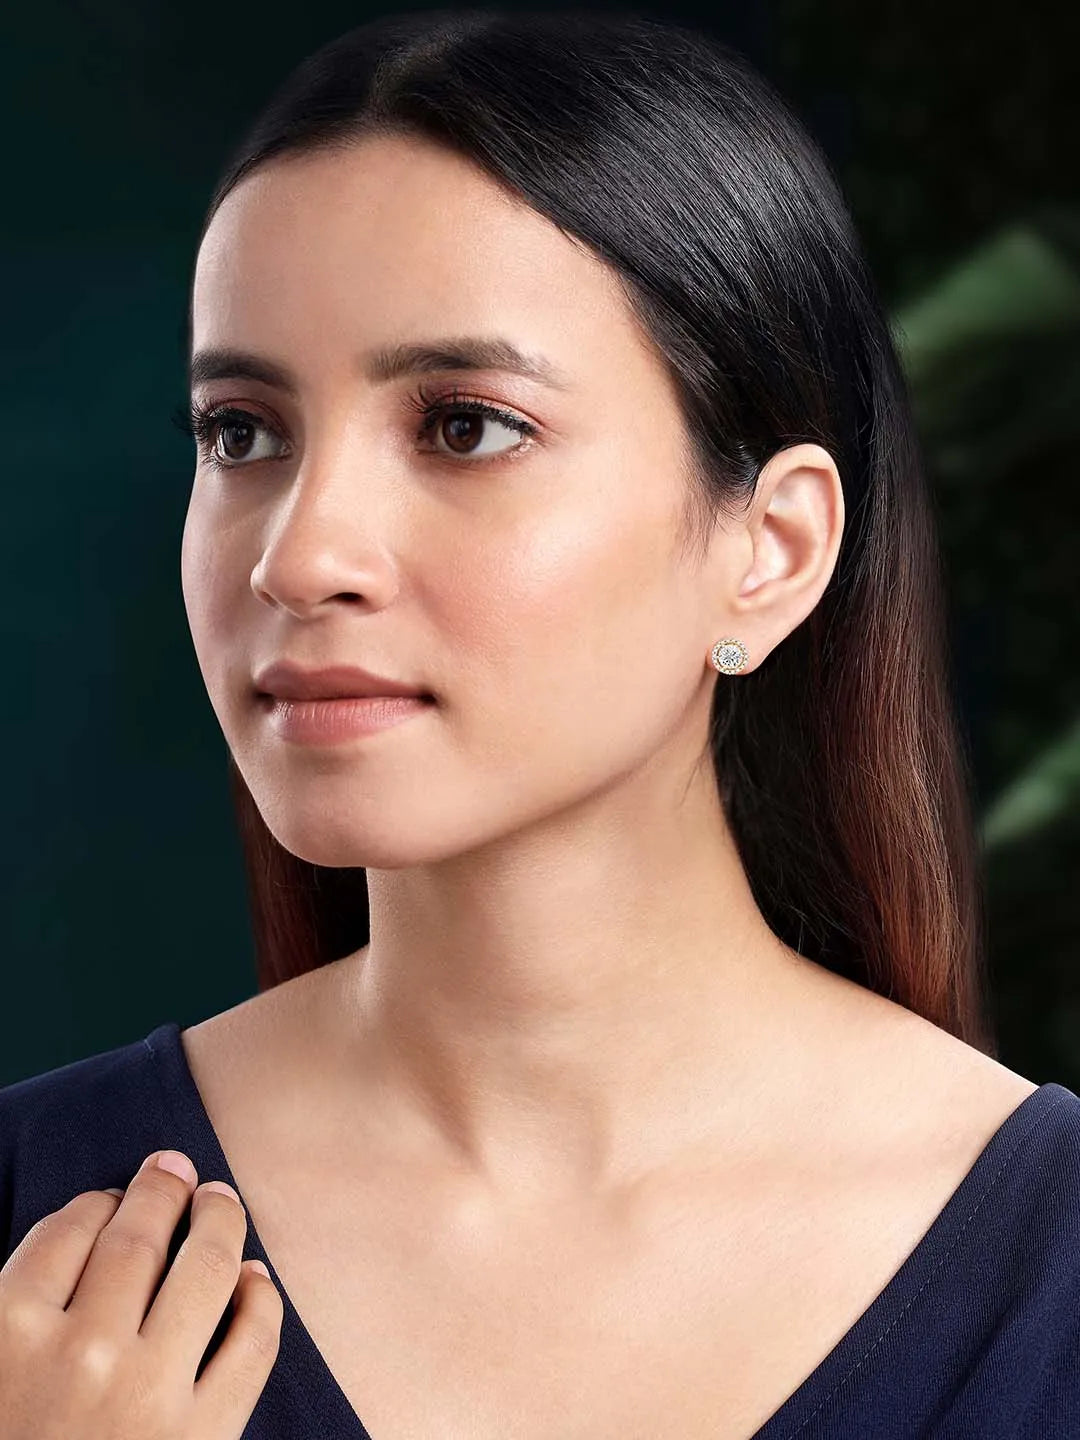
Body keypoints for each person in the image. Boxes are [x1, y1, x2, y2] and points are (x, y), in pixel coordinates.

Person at [2, 9, 1078, 1439]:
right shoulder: (33, 1230)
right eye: (240, 433)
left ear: (771, 548)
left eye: (465, 426)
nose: (298, 556)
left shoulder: (1053, 1267)